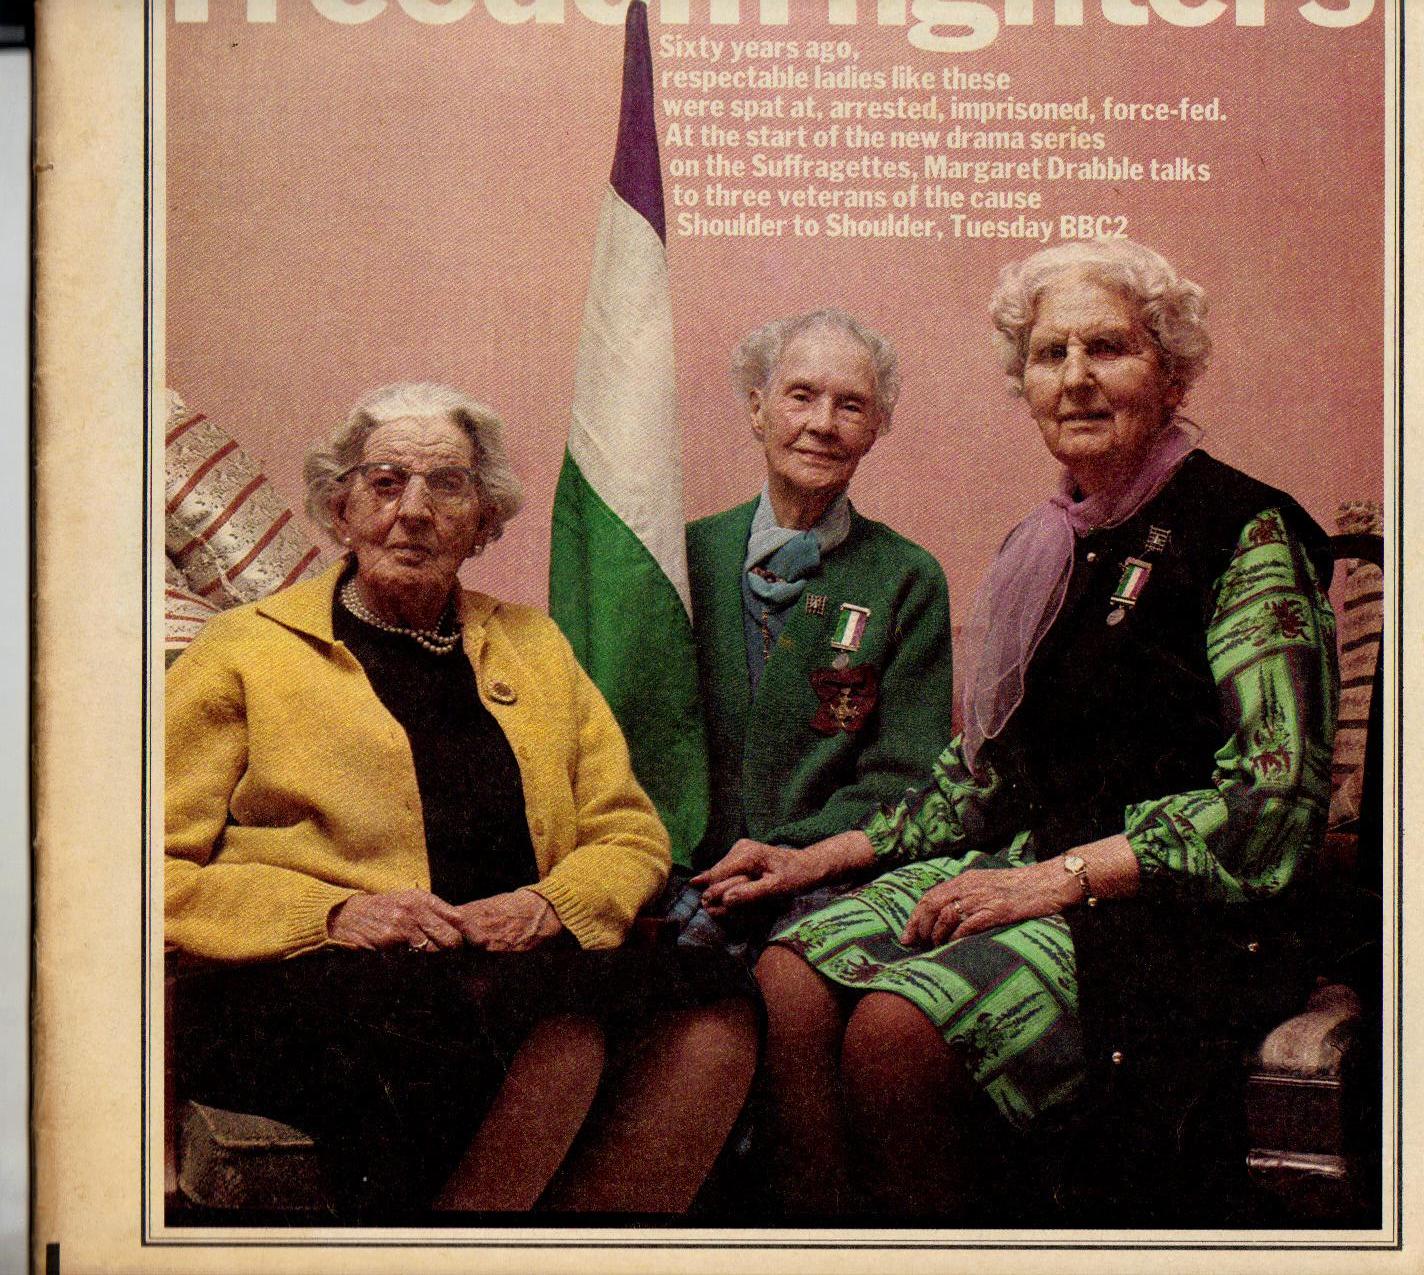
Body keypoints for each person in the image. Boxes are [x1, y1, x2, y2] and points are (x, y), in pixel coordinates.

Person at [697, 242, 1339, 1223]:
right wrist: (809, 858)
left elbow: (1273, 800)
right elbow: (985, 780)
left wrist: (1054, 879)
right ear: (1026, 384)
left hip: (1186, 912)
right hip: (1038, 864)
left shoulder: (1245, 531)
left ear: (1170, 375)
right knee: (787, 978)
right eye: (1050, 354)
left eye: (1107, 348)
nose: (1075, 377)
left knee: (895, 1031)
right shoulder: (1046, 545)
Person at [166, 381, 758, 1220]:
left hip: (510, 963)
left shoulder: (533, 644)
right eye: (384, 482)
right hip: (304, 976)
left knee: (717, 1004)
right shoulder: (243, 650)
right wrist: (334, 913)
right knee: (554, 1032)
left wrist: (549, 904)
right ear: (340, 507)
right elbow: (148, 866)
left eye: (446, 485)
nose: (413, 510)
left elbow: (628, 831)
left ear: (483, 520)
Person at [669, 309, 954, 960]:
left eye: (851, 405)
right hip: (688, 872)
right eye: (801, 396)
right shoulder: (683, 559)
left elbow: (905, 775)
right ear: (757, 409)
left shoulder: (907, 577)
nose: (823, 423)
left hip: (827, 875)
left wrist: (798, 855)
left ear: (877, 429)